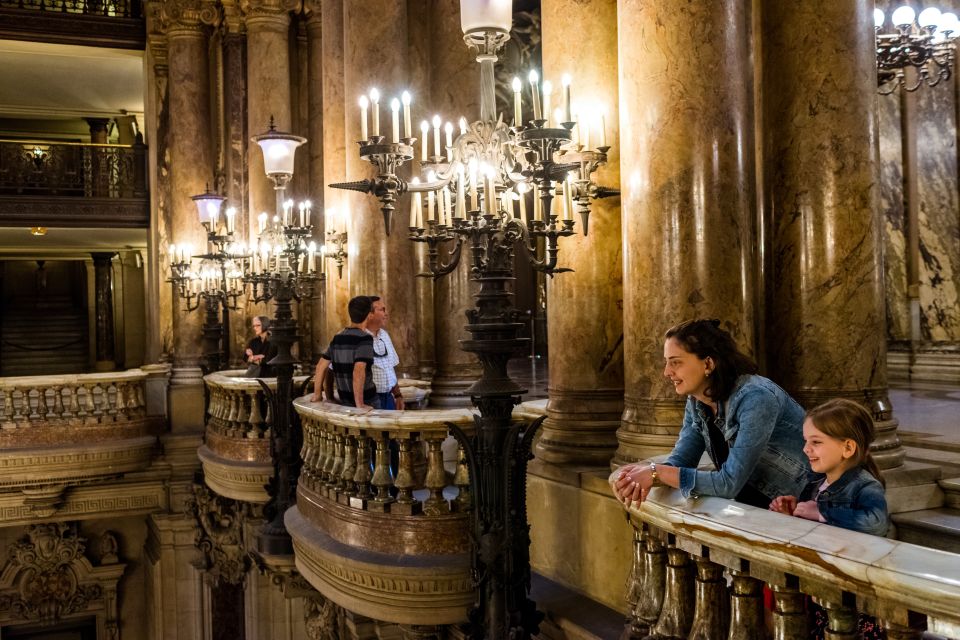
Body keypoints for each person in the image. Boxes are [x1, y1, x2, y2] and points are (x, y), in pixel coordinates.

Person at [614, 319, 809, 508]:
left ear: (708, 364)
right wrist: (639, 477)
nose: (666, 372)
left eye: (675, 362)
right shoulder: (697, 401)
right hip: (755, 506)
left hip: (803, 509)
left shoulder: (756, 398)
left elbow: (729, 483)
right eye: (667, 362)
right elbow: (682, 460)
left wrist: (657, 473)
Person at [769, 399, 889, 638]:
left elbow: (876, 522)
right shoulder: (815, 485)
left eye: (816, 442)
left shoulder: (865, 486)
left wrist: (822, 512)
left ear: (847, 448)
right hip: (820, 587)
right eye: (806, 441)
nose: (806, 449)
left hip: (853, 594)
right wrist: (791, 515)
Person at [310, 296, 378, 409]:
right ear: (369, 315)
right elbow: (359, 369)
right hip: (367, 400)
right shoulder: (365, 338)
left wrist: (317, 395)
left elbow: (321, 366)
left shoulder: (338, 337)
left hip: (345, 401)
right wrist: (360, 404)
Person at [367, 297, 405, 410]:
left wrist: (398, 395)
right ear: (370, 314)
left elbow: (390, 368)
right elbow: (330, 368)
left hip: (388, 397)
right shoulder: (358, 337)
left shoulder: (384, 335)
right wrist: (329, 398)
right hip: (370, 400)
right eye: (382, 310)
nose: (386, 313)